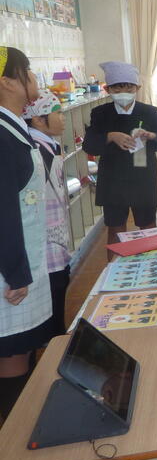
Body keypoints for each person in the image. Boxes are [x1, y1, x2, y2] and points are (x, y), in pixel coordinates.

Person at [0, 46, 52, 419]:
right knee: (12, 354)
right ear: (6, 82)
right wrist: (17, 274)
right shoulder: (2, 137)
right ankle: (14, 431)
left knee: (23, 349)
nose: (33, 78)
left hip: (22, 262)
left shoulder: (13, 127)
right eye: (27, 71)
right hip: (11, 273)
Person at [83, 61, 157, 261]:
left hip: (143, 179)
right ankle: (114, 269)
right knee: (116, 228)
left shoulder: (149, 112)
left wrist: (152, 136)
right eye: (117, 89)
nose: (123, 93)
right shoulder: (100, 113)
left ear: (137, 88)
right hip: (112, 180)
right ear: (108, 90)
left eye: (129, 88)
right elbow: (89, 145)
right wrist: (110, 136)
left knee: (148, 226)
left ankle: (152, 266)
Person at [22, 90, 70, 337]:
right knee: (53, 298)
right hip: (45, 243)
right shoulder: (36, 151)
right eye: (57, 113)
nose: (62, 118)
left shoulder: (48, 146)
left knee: (58, 293)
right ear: (38, 120)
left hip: (55, 239)